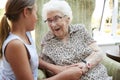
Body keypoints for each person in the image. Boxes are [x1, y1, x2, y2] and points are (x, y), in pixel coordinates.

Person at [0, 0, 82, 80]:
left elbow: (32, 58)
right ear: (26, 12)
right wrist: (66, 76)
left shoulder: (26, 33)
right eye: (35, 13)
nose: (37, 18)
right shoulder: (15, 45)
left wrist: (56, 68)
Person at [40, 0, 112, 80]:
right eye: (49, 20)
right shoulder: (47, 42)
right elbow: (51, 72)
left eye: (56, 18)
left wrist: (86, 64)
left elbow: (99, 52)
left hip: (100, 76)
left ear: (67, 18)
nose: (53, 24)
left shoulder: (80, 30)